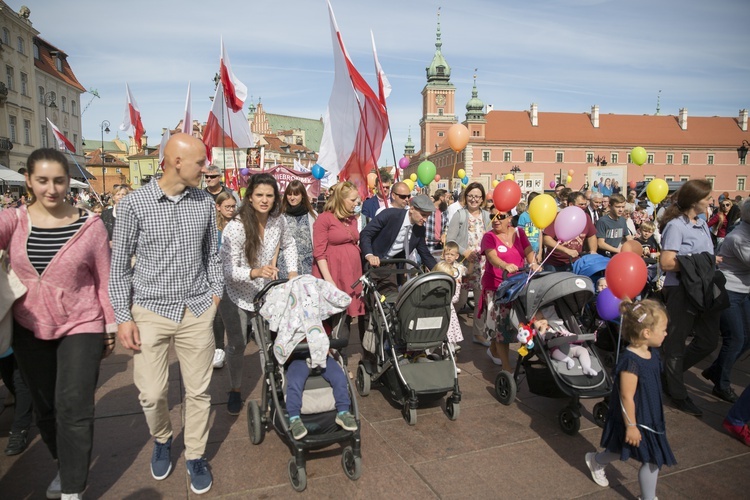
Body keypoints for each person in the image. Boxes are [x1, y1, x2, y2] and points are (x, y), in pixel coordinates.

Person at [109, 134, 223, 494]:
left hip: (197, 308)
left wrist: (215, 295)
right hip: (151, 310)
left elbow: (212, 256)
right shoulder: (134, 205)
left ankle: (195, 455)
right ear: (175, 161)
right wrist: (123, 316)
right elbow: (119, 269)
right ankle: (162, 438)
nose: (207, 169)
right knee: (152, 393)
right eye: (201, 162)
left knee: (199, 391)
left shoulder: (205, 202)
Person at [1, 148, 116, 500]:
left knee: (73, 404)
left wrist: (111, 326)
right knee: (46, 408)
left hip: (81, 324)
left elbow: (105, 280)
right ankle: (64, 465)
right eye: (42, 181)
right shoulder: (14, 220)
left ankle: (72, 488)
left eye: (59, 181)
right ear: (29, 181)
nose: (52, 189)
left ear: (68, 181)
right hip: (29, 325)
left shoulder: (90, 226)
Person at [221, 173, 299, 416]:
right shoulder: (235, 227)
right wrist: (255, 272)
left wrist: (294, 272)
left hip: (265, 294)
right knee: (237, 344)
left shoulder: (278, 221)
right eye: (259, 195)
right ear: (250, 197)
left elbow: (289, 244)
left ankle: (274, 387)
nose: (264, 200)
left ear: (275, 198)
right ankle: (235, 389)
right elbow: (229, 270)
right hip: (236, 295)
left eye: (269, 195)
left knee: (268, 343)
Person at [585, 299, 675, 500]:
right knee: (647, 456)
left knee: (629, 451)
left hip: (649, 414)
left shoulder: (652, 353)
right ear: (646, 333)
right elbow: (626, 395)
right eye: (663, 329)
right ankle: (648, 497)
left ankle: (597, 460)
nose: (666, 333)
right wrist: (631, 426)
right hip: (635, 417)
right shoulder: (630, 361)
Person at [658, 179, 721, 417]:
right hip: (681, 290)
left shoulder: (702, 223)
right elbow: (666, 262)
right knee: (675, 343)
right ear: (694, 201)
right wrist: (700, 262)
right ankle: (677, 392)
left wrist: (708, 262)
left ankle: (669, 374)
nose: (710, 202)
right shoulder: (676, 226)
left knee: (708, 340)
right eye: (707, 198)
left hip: (703, 288)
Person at [702, 198, 750, 403]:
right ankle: (721, 384)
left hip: (745, 291)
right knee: (736, 338)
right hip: (729, 291)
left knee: (746, 338)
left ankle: (716, 369)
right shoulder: (739, 237)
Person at [481, 207, 540, 369]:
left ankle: (493, 349)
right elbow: (492, 257)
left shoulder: (519, 233)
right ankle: (507, 368)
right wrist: (504, 264)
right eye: (492, 216)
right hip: (496, 286)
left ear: (509, 218)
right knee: (500, 327)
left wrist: (534, 264)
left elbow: (529, 252)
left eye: (500, 216)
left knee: (517, 322)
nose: (496, 219)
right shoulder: (489, 236)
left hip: (518, 285)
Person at [312, 181, 365, 330]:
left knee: (346, 317)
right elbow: (319, 252)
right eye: (353, 200)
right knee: (333, 318)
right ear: (341, 199)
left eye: (357, 200)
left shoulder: (352, 218)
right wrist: (329, 280)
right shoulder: (324, 218)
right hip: (333, 273)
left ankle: (340, 349)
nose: (356, 203)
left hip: (349, 273)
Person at [445, 183, 491, 346]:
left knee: (480, 301)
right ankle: (445, 330)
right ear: (466, 197)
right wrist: (464, 252)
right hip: (463, 265)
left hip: (482, 266)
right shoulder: (460, 214)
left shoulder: (486, 216)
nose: (474, 199)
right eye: (471, 195)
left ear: (482, 199)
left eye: (477, 196)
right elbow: (450, 240)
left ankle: (478, 333)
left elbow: (491, 238)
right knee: (459, 299)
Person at [210, 191, 237, 370]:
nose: (231, 210)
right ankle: (219, 348)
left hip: (236, 273)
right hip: (217, 274)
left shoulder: (239, 224)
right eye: (227, 207)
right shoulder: (213, 227)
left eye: (233, 207)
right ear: (218, 207)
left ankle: (236, 345)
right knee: (218, 312)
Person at [533, 306, 597, 376]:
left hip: (569, 345)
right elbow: (541, 343)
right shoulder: (539, 333)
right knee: (554, 353)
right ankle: (568, 360)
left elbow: (567, 333)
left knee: (583, 350)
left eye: (542, 318)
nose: (542, 321)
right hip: (555, 347)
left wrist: (576, 336)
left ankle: (586, 367)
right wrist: (542, 331)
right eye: (538, 321)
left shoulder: (555, 326)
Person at [542, 192, 597, 272]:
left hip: (575, 263)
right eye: (581, 204)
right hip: (554, 264)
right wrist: (566, 250)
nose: (584, 207)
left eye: (585, 204)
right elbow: (546, 240)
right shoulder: (558, 217)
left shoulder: (586, 217)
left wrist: (593, 251)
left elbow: (591, 236)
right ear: (571, 204)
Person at [279, 180, 316, 278]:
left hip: (308, 265)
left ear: (302, 195)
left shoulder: (312, 215)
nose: (292, 198)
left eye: (295, 194)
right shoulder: (281, 216)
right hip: (285, 265)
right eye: (289, 194)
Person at [433, 260, 463, 354]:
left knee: (446, 336)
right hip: (445, 314)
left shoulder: (433, 284)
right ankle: (449, 355)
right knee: (448, 337)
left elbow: (454, 299)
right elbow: (455, 299)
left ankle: (449, 355)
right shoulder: (447, 286)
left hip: (442, 314)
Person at [516, 192, 543, 262]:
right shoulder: (523, 216)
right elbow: (519, 234)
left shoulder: (539, 216)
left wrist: (540, 252)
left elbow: (540, 234)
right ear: (532, 202)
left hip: (536, 251)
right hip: (525, 251)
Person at [425, 189, 448, 258]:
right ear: (441, 197)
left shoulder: (444, 211)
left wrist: (444, 234)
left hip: (439, 245)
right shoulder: (428, 209)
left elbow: (446, 226)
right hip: (428, 244)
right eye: (447, 197)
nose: (448, 200)